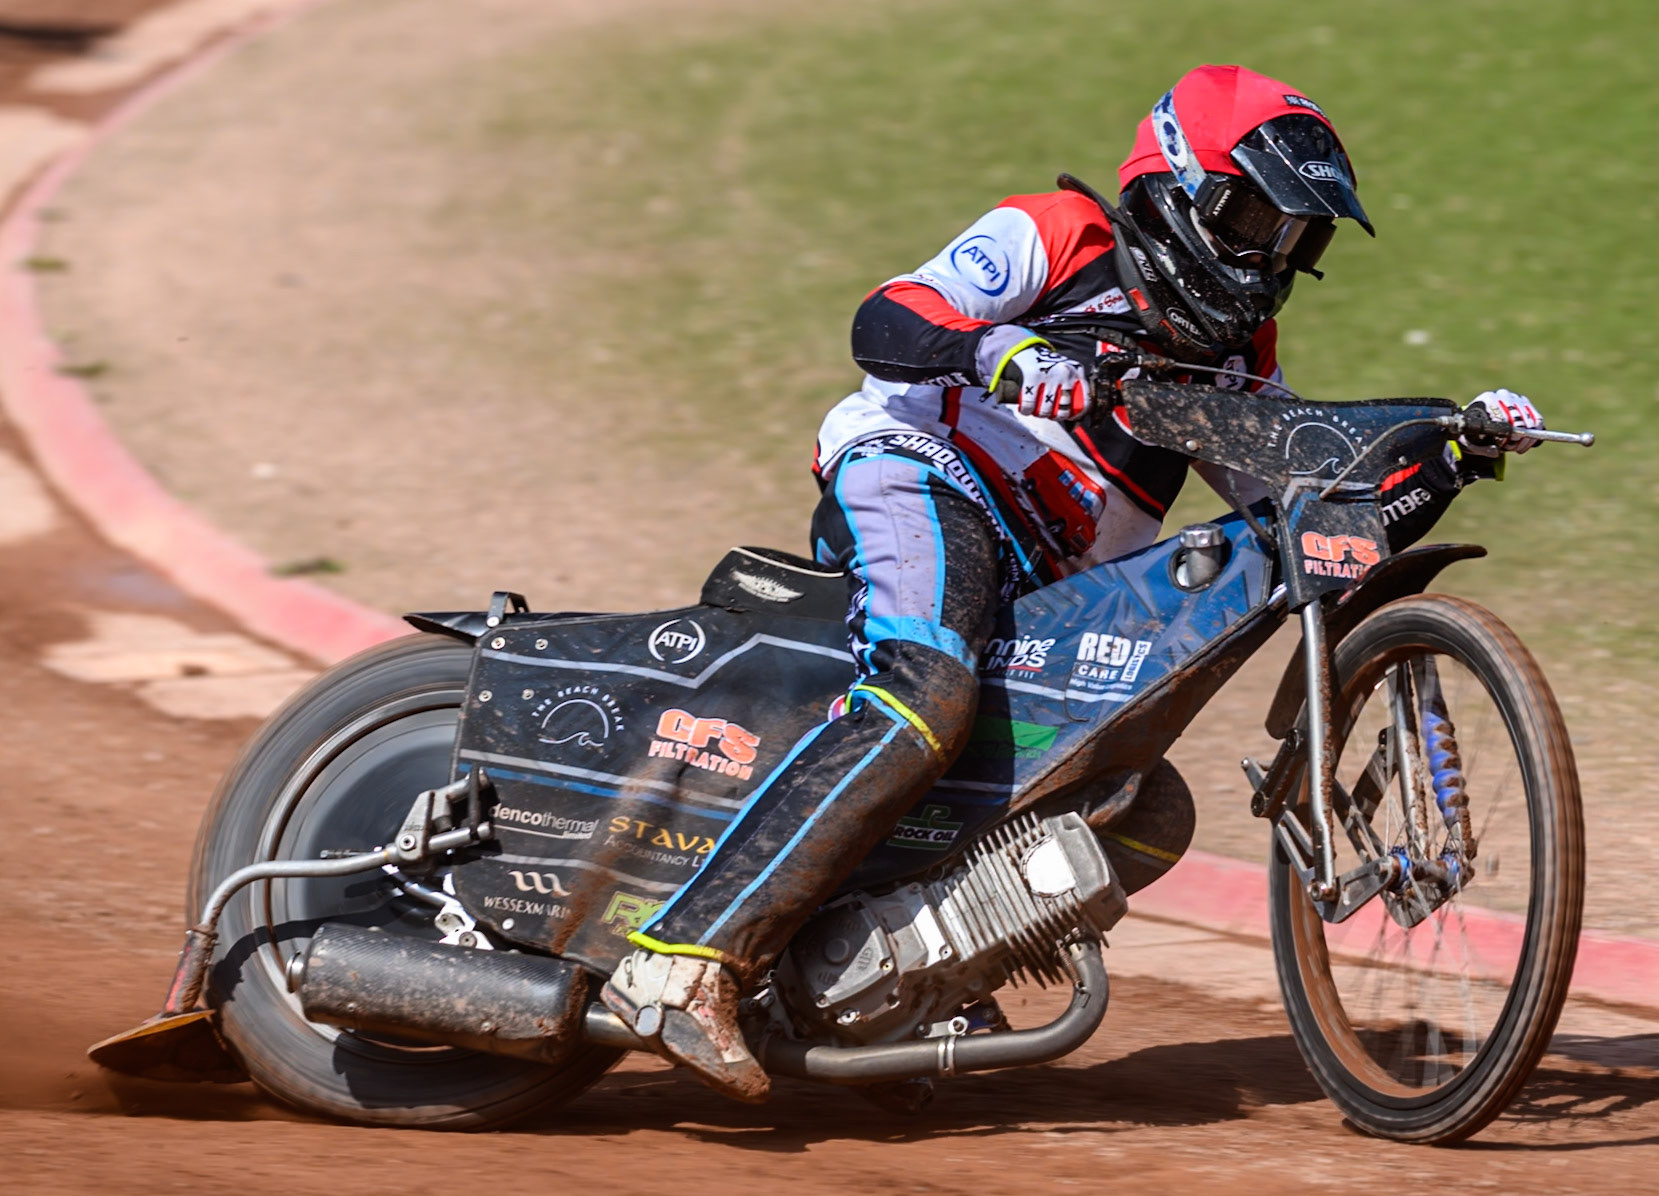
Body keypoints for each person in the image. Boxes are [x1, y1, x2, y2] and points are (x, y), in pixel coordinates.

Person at [600, 63, 1546, 1102]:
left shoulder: (1233, 357)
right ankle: (683, 956)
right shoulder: (1058, 233)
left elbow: (1295, 504)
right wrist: (1000, 355)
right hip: (921, 470)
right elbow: (885, 320)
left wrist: (1448, 453)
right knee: (928, 689)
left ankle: (910, 971)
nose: (1265, 258)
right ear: (1172, 189)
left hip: (1044, 584)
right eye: (1248, 217)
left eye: (1295, 239)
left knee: (1141, 804)